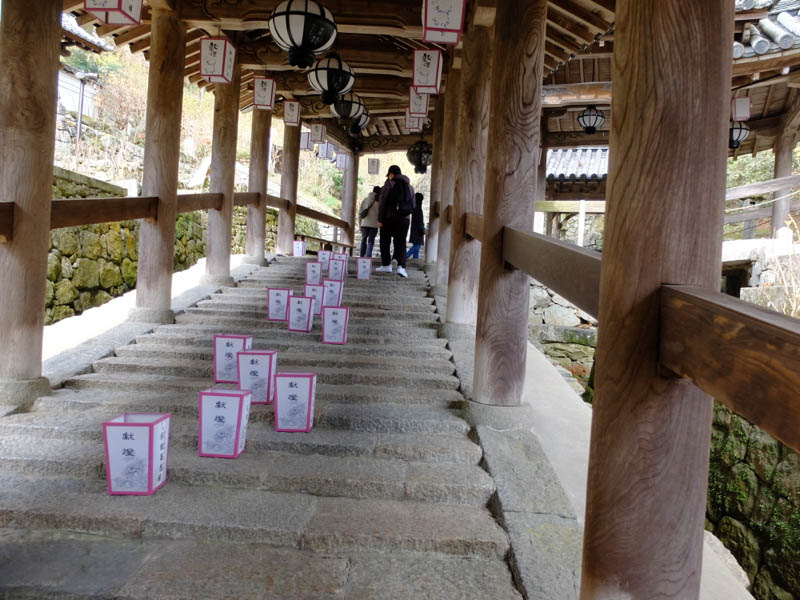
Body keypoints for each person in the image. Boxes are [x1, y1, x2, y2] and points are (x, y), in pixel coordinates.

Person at [376, 165, 415, 278]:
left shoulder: (388, 185)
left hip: (389, 218)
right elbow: (413, 205)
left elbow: (382, 203)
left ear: (391, 174)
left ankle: (386, 265)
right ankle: (401, 267)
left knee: (385, 241)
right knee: (401, 242)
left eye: (388, 175)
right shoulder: (410, 187)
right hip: (404, 218)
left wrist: (380, 219)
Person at [358, 186, 381, 257]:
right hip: (374, 224)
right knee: (371, 240)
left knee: (363, 239)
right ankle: (368, 255)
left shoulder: (365, 200)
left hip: (364, 223)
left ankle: (361, 255)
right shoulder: (379, 201)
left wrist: (360, 224)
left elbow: (360, 213)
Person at [406, 192, 425, 260]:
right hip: (418, 230)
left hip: (415, 229)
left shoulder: (415, 207)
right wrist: (422, 229)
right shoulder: (418, 208)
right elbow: (419, 221)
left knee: (417, 245)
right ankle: (405, 256)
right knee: (417, 246)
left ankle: (415, 259)